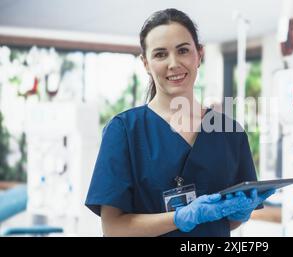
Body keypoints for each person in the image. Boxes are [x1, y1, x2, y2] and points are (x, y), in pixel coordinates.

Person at [85, 8, 274, 237]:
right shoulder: (124, 130)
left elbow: (226, 223)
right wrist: (179, 218)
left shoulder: (231, 133)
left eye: (183, 50)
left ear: (199, 55)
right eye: (160, 54)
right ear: (145, 63)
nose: (173, 63)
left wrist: (240, 213)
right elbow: (113, 228)